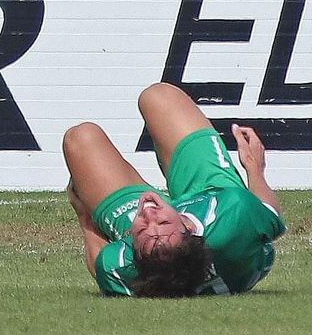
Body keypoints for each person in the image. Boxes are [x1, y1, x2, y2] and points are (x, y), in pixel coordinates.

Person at [63, 82, 286, 297]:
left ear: (132, 246)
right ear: (189, 229)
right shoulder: (234, 215)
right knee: (159, 97)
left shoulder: (123, 264)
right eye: (162, 222)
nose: (149, 214)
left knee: (80, 138)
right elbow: (270, 213)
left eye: (141, 230)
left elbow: (102, 267)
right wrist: (254, 167)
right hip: (212, 192)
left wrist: (85, 218)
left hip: (163, 256)